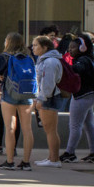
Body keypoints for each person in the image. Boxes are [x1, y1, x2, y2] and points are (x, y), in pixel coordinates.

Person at [0, 32, 36, 171]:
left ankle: (10, 161)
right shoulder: (29, 57)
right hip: (27, 94)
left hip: (10, 94)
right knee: (27, 128)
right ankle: (26, 162)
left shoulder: (3, 57)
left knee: (10, 128)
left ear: (8, 42)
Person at [61, 33, 94, 164]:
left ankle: (70, 153)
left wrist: (64, 66)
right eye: (69, 48)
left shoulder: (82, 60)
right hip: (90, 96)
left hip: (82, 96)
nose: (70, 50)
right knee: (89, 124)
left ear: (82, 48)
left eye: (72, 48)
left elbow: (75, 70)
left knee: (75, 125)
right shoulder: (90, 58)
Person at [34, 35, 66, 167]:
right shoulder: (45, 60)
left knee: (51, 130)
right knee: (49, 130)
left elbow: (48, 83)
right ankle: (51, 157)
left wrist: (41, 99)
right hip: (48, 97)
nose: (33, 47)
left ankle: (54, 160)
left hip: (50, 98)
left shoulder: (50, 62)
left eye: (36, 45)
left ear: (44, 47)